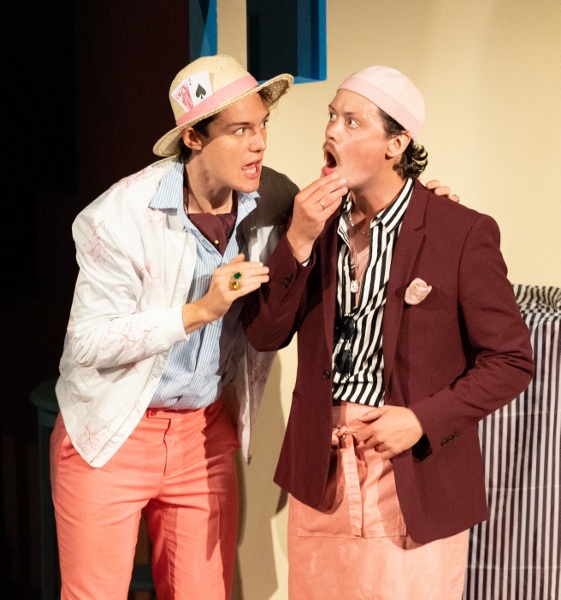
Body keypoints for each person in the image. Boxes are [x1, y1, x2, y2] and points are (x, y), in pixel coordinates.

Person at [243, 65, 534, 599]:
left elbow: (512, 360)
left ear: (396, 144)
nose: (332, 131)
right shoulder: (312, 223)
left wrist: (422, 420)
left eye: (353, 122)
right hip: (321, 471)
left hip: (411, 474)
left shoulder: (460, 231)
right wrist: (300, 241)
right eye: (331, 116)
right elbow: (264, 334)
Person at [51, 54, 296, 600]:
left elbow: (334, 219)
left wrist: (423, 197)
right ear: (193, 139)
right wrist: (198, 311)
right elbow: (88, 341)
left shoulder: (271, 197)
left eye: (262, 127)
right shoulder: (118, 216)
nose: (258, 144)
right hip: (113, 428)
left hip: (203, 434)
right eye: (239, 131)